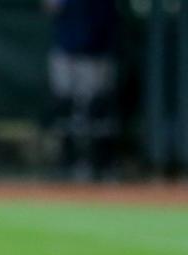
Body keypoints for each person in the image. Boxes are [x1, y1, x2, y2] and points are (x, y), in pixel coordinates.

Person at [43, 0, 119, 180]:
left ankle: (102, 163)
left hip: (97, 53)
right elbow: (49, 7)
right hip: (66, 50)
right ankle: (68, 162)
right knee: (65, 108)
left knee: (97, 110)